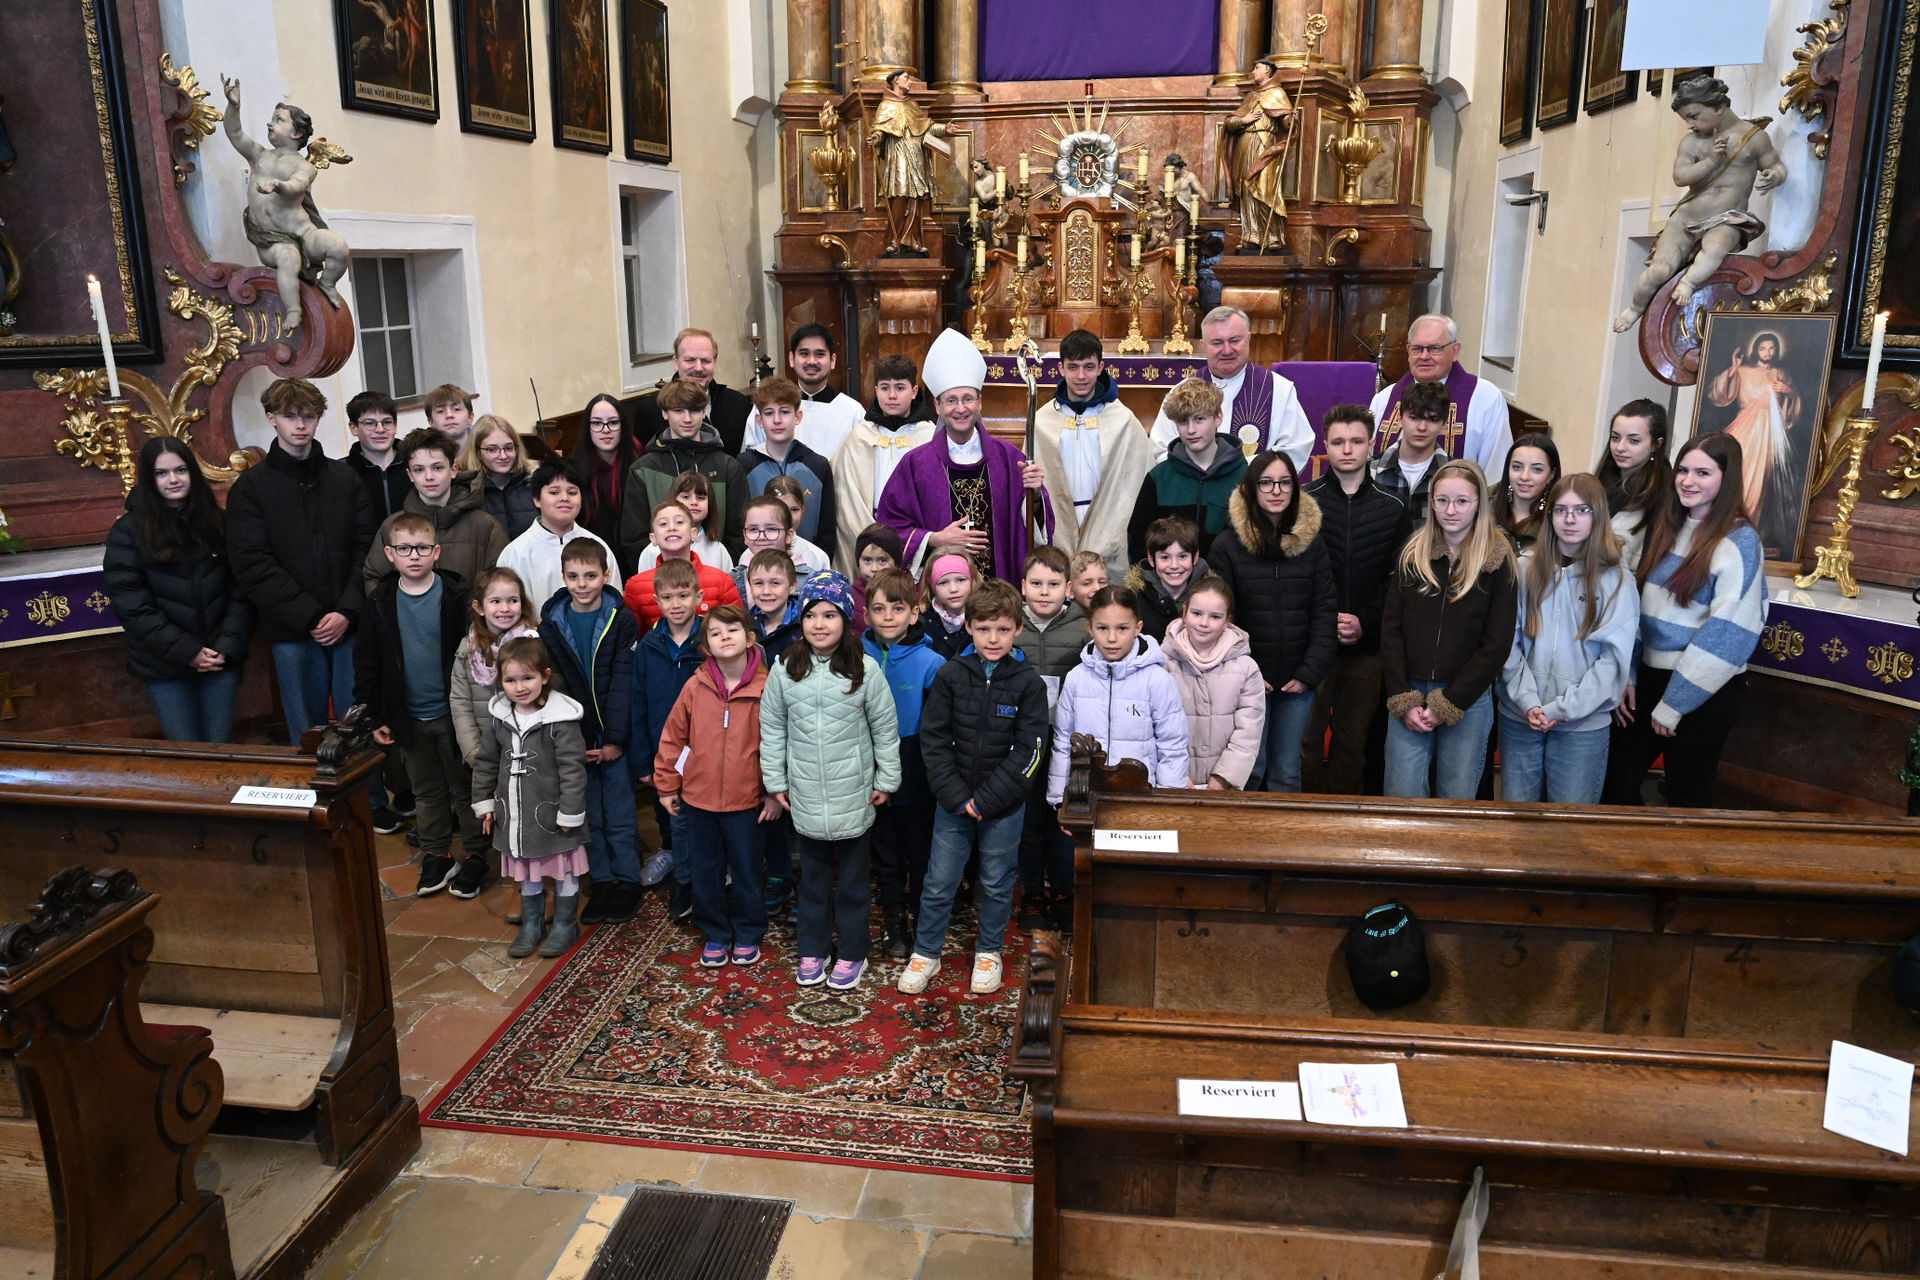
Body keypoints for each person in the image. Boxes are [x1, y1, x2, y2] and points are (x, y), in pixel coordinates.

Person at [1601, 433, 1766, 808]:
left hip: (1703, 689)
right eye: (1683, 471)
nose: (1688, 481)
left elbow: (1729, 634)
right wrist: (1630, 674)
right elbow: (1641, 611)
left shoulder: (1739, 540)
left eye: (1703, 473)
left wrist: (1676, 703)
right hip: (1651, 678)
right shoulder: (1671, 526)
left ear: (1727, 479)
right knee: (1615, 785)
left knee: (1687, 799)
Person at [902, 579, 1049, 998]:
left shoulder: (1029, 684)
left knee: (997, 882)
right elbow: (933, 741)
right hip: (954, 802)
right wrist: (957, 796)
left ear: (1018, 629)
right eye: (984, 629)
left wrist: (987, 799)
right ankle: (926, 952)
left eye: (1003, 629)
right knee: (938, 881)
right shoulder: (951, 675)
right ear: (968, 627)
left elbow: (1031, 751)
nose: (993, 638)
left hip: (1004, 806)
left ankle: (988, 951)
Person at [761, 571, 900, 991]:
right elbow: (773, 728)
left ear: (846, 619)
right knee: (813, 883)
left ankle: (854, 951)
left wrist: (887, 779)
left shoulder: (865, 669)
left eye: (829, 615)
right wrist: (774, 780)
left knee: (854, 885)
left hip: (853, 795)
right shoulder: (784, 668)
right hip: (805, 794)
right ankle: (813, 948)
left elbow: (884, 729)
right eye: (810, 615)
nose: (819, 624)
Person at [226, 377, 377, 745]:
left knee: (357, 728)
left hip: (348, 622)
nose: (300, 425)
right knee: (308, 734)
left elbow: (367, 549)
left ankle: (367, 787)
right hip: (292, 630)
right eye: (290, 416)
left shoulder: (345, 478)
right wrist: (310, 617)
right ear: (271, 418)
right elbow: (252, 563)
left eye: (308, 417)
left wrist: (346, 610)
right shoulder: (250, 488)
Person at [354, 514, 490, 896]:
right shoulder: (380, 602)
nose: (414, 556)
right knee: (426, 790)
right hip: (409, 717)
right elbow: (367, 661)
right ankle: (437, 854)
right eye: (404, 548)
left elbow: (477, 653)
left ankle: (477, 854)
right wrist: (374, 715)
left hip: (455, 715)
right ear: (390, 554)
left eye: (422, 548)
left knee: (465, 786)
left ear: (436, 551)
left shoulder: (456, 596)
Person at [1380, 461, 1520, 799]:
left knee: (1456, 795)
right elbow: (1391, 630)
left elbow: (1497, 643)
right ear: (1431, 503)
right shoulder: (1414, 554)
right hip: (1411, 690)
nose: (1451, 510)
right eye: (1442, 501)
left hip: (1467, 696)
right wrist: (1403, 696)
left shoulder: (1497, 560)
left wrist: (1451, 701)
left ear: (1479, 504)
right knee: (1402, 793)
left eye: (1462, 501)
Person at [1498, 475, 1639, 804]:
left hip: (1582, 726)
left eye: (1581, 510)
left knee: (1570, 823)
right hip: (1522, 718)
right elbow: (1507, 642)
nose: (1570, 519)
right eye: (1560, 510)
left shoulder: (1617, 580)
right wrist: (1529, 702)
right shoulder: (1524, 570)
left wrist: (1563, 709)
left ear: (1598, 515)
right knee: (1517, 819)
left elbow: (1613, 661)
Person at [653, 603, 778, 968]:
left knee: (747, 871)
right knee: (705, 871)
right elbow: (674, 738)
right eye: (716, 633)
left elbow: (778, 744)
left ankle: (748, 932)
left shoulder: (767, 688)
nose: (725, 637)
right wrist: (667, 785)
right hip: (699, 801)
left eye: (732, 630)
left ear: (750, 639)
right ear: (706, 645)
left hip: (747, 802)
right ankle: (715, 933)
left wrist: (774, 793)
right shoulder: (695, 687)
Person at [1612, 75, 1787, 332]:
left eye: (1694, 116)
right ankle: (1635, 308)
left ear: (1719, 107)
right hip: (1688, 216)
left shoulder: (1753, 138)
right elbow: (1681, 177)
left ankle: (1688, 283)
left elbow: (1774, 165)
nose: (1690, 124)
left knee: (1716, 246)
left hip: (1726, 217)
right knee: (1659, 272)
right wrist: (1711, 161)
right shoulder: (1692, 142)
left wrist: (1776, 175)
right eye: (1686, 119)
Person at [105, 438, 252, 743]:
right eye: (162, 473)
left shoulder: (218, 521)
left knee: (220, 747)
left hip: (218, 657)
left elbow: (241, 589)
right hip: (164, 665)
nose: (173, 479)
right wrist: (188, 652)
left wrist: (226, 645)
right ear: (149, 478)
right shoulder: (128, 531)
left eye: (181, 470)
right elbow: (133, 606)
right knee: (186, 751)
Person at [878, 328, 1054, 580]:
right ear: (937, 406)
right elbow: (890, 527)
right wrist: (934, 538)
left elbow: (1029, 528)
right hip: (941, 591)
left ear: (980, 402)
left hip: (1000, 590)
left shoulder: (1008, 458)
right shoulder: (916, 464)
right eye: (951, 401)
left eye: (968, 399)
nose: (960, 408)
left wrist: (1035, 494)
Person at [1207, 451, 1337, 791]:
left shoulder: (1312, 544)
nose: (1276, 491)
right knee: (1249, 770)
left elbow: (1325, 611)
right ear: (1251, 489)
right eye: (1266, 483)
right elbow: (1220, 618)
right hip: (1246, 679)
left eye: (1284, 482)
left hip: (1298, 680)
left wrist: (1309, 673)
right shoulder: (1228, 545)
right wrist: (1246, 672)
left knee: (1287, 772)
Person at [1300, 406, 1409, 795]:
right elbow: (1298, 573)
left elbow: (1398, 580)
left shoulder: (1393, 505)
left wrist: (1365, 620)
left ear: (1371, 445)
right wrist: (1325, 619)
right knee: (1306, 741)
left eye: (1356, 441)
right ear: (1325, 445)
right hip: (1314, 643)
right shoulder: (1304, 501)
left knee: (1353, 743)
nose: (1347, 450)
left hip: (1367, 647)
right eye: (1338, 442)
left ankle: (1344, 820)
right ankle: (1306, 818)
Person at [537, 539, 641, 924]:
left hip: (613, 741)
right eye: (574, 576)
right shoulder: (551, 625)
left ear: (606, 575)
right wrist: (572, 742)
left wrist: (614, 740)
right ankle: (603, 881)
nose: (582, 584)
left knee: (620, 815)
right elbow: (555, 686)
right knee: (589, 816)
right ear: (563, 577)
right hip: (575, 743)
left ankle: (627, 882)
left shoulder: (622, 619)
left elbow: (623, 682)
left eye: (591, 576)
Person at [471, 636, 589, 959]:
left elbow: (573, 770)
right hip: (515, 815)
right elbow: (486, 762)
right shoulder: (500, 717)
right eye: (510, 680)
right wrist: (485, 803)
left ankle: (565, 924)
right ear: (501, 681)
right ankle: (532, 925)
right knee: (527, 871)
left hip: (553, 815)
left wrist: (570, 812)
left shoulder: (560, 719)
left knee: (563, 869)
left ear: (545, 676)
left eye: (528, 678)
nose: (520, 687)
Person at [862, 567, 945, 959]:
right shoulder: (854, 656)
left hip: (914, 764)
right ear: (867, 614)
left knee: (918, 846)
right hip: (867, 764)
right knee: (884, 847)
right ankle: (893, 916)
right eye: (879, 609)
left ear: (914, 613)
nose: (888, 617)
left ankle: (920, 914)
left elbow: (941, 726)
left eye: (897, 608)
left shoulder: (931, 662)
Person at [1047, 585, 1192, 807]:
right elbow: (1063, 741)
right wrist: (1059, 799)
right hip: (1087, 799)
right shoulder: (1076, 679)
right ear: (1090, 627)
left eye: (1122, 628)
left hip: (1142, 800)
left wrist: (1167, 802)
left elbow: (1172, 746)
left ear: (1138, 628)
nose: (1112, 638)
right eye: (1102, 628)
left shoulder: (1158, 681)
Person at [1032, 329, 1152, 574]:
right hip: (1059, 523)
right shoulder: (1043, 421)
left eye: (1088, 367)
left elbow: (1140, 480)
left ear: (1101, 368)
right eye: (1073, 367)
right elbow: (1031, 487)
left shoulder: (1123, 420)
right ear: (1061, 368)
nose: (1081, 376)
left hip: (1109, 522)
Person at [1015, 546, 1089, 934]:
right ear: (1023, 586)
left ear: (1069, 589)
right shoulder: (1011, 625)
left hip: (1068, 740)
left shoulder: (1084, 627)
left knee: (1064, 819)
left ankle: (1063, 892)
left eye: (1054, 584)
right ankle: (1032, 892)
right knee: (1029, 821)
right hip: (1023, 740)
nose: (1045, 592)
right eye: (1037, 583)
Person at [629, 556, 708, 909]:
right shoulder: (648, 646)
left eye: (683, 595)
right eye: (668, 597)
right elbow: (639, 703)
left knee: (702, 813)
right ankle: (674, 859)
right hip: (663, 746)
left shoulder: (711, 639)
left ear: (698, 597)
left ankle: (706, 870)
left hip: (705, 746)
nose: (676, 604)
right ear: (657, 601)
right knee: (669, 809)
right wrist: (643, 758)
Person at [1149, 307, 1312, 467]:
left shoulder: (1279, 390)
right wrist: (1200, 474)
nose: (1227, 350)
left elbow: (1295, 448)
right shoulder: (1180, 393)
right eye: (1217, 343)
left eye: (1234, 341)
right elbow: (1162, 450)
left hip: (1256, 483)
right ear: (1203, 346)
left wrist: (1240, 473)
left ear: (1248, 339)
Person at [361, 427, 508, 592]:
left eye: (437, 468)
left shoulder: (485, 526)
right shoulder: (391, 526)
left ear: (453, 470)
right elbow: (374, 577)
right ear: (410, 475)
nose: (429, 477)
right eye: (419, 470)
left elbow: (501, 581)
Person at [623, 378, 749, 565]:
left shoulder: (728, 467)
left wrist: (717, 570)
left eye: (694, 410)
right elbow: (634, 539)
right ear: (665, 413)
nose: (687, 419)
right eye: (678, 410)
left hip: (717, 572)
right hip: (661, 574)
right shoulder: (643, 469)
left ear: (704, 412)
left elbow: (739, 534)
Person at [1369, 314, 1513, 477]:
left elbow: (1496, 470)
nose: (1424, 356)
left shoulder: (1486, 398)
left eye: (1434, 348)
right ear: (1408, 351)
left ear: (1455, 351)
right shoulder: (1384, 399)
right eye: (1417, 348)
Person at [1160, 575, 1266, 790]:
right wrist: (1176, 776)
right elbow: (1153, 725)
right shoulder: (1162, 663)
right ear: (1184, 612)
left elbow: (1248, 733)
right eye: (1196, 613)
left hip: (1222, 788)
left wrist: (1223, 779)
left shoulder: (1246, 669)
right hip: (1172, 783)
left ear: (1227, 621)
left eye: (1215, 617)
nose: (1204, 623)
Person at [833, 355, 935, 574]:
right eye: (885, 387)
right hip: (866, 531)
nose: (892, 395)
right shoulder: (859, 436)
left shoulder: (929, 436)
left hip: (912, 534)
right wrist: (870, 538)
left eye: (900, 388)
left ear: (914, 392)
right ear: (875, 390)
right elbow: (847, 496)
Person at [1130, 377, 1246, 562]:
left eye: (1199, 419)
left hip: (1224, 579)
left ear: (1218, 417)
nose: (1191, 430)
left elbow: (1251, 541)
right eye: (1183, 421)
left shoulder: (1243, 476)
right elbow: (1138, 539)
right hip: (1168, 578)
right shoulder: (1159, 478)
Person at [1706, 330, 1799, 532]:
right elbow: (1718, 394)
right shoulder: (1743, 371)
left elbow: (1794, 406)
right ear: (1756, 350)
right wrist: (1733, 368)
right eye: (1763, 348)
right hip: (1744, 427)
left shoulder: (1781, 374)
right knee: (1735, 471)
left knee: (1759, 480)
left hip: (1768, 431)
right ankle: (1720, 525)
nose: (1767, 352)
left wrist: (1789, 391)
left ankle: (1745, 528)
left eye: (1771, 349)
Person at [451, 566, 539, 772]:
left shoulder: (533, 643)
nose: (505, 608)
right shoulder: (467, 649)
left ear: (522, 604)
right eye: (495, 601)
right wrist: (474, 753)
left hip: (530, 756)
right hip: (485, 755)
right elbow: (460, 702)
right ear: (479, 607)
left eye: (513, 600)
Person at [496, 459, 617, 608]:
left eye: (572, 492)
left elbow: (614, 604)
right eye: (554, 492)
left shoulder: (598, 547)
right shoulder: (515, 553)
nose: (564, 498)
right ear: (537, 500)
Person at [739, 378, 839, 558]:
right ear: (759, 420)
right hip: (757, 562)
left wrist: (819, 561)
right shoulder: (744, 465)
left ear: (797, 417)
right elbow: (737, 524)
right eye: (769, 413)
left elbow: (827, 528)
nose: (777, 420)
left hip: (809, 562)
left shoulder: (818, 465)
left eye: (784, 412)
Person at [741, 325, 866, 462]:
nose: (811, 361)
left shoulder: (853, 412)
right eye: (804, 354)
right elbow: (752, 460)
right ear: (792, 358)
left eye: (820, 354)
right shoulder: (767, 406)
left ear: (832, 360)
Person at [624, 327, 755, 456]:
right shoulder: (650, 409)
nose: (698, 368)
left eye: (705, 361)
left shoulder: (737, 403)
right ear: (676, 362)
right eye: (690, 360)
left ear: (714, 362)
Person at [624, 499, 742, 627]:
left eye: (679, 522)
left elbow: (737, 628)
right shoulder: (635, 587)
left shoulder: (721, 581)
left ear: (693, 534)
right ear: (653, 538)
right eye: (663, 524)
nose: (672, 528)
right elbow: (633, 636)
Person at [1222, 58, 1294, 254]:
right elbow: (1230, 124)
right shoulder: (1251, 96)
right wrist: (1242, 120)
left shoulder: (1278, 93)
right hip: (1246, 143)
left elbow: (1286, 122)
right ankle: (1251, 234)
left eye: (1257, 68)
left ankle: (1271, 235)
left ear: (1268, 71)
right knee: (1246, 187)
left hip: (1265, 143)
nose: (1253, 72)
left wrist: (1290, 119)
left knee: (1265, 186)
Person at [1597, 398, 1673, 572]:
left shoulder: (1658, 494)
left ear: (1656, 444)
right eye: (1615, 438)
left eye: (1634, 441)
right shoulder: (1603, 482)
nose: (1620, 447)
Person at [1370, 380, 1451, 529]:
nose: (1422, 427)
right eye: (1414, 418)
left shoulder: (1455, 475)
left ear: (1444, 426)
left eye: (1433, 419)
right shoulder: (1369, 471)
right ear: (1400, 420)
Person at [572, 394, 638, 577]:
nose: (605, 430)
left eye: (613, 422)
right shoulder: (574, 472)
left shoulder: (640, 465)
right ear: (587, 428)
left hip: (635, 561)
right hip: (591, 565)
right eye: (596, 423)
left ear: (623, 426)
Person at [1126, 516, 1207, 641]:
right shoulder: (1136, 599)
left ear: (1195, 557)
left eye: (1182, 556)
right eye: (1165, 557)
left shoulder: (1211, 596)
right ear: (1151, 559)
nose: (1174, 565)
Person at [635, 473, 735, 572]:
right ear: (673, 501)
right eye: (686, 497)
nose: (694, 502)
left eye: (701, 498)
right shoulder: (652, 551)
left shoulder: (718, 550)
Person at [462, 415, 539, 540]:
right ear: (478, 453)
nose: (503, 456)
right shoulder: (466, 489)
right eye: (492, 449)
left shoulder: (533, 482)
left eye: (508, 448)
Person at [344, 390, 410, 520]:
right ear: (354, 427)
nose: (380, 429)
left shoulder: (415, 464)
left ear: (395, 426)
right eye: (369, 423)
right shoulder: (344, 473)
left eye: (387, 422)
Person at [1492, 432, 1561, 552]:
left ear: (1552, 474)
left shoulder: (1560, 516)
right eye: (1517, 467)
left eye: (1537, 469)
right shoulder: (1484, 501)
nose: (1524, 476)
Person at [763, 476, 832, 574]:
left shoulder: (818, 557)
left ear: (802, 510)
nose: (788, 517)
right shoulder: (749, 556)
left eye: (794, 510)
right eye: (780, 509)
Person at [745, 549, 804, 661]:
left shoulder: (805, 627)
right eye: (758, 583)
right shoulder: (744, 626)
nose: (766, 591)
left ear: (792, 586)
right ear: (750, 587)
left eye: (775, 583)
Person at [920, 553, 978, 655]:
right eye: (943, 583)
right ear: (933, 588)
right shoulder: (921, 624)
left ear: (972, 582)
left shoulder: (986, 618)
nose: (953, 589)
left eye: (961, 580)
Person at [423, 383, 478, 454]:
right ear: (431, 422)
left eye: (457, 409)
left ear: (470, 417)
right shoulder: (424, 453)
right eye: (440, 411)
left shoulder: (485, 448)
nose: (449, 415)